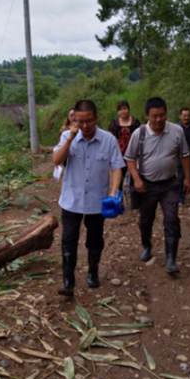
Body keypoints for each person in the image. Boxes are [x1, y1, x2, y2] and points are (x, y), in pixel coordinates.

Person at [53, 100, 124, 297]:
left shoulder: (108, 140)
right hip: (71, 200)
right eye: (81, 121)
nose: (85, 126)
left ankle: (93, 272)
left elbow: (117, 167)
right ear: (74, 119)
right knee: (68, 239)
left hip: (96, 201)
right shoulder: (67, 136)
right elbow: (56, 161)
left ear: (96, 118)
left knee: (95, 240)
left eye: (89, 121)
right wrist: (69, 140)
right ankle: (68, 281)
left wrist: (114, 192)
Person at [125, 97, 190, 273]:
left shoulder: (176, 131)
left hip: (170, 183)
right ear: (147, 116)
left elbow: (185, 155)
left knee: (172, 219)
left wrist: (187, 179)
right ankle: (146, 245)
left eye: (162, 115)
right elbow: (130, 159)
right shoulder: (139, 134)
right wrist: (137, 179)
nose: (158, 120)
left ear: (166, 114)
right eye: (154, 116)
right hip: (147, 185)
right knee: (146, 220)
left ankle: (171, 259)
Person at [108, 100, 141, 188]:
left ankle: (132, 200)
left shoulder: (135, 123)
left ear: (129, 109)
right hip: (118, 155)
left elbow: (140, 139)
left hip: (132, 156)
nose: (122, 111)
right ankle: (119, 200)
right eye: (120, 109)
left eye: (124, 108)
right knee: (118, 181)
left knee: (132, 180)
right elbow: (110, 139)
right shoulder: (114, 123)